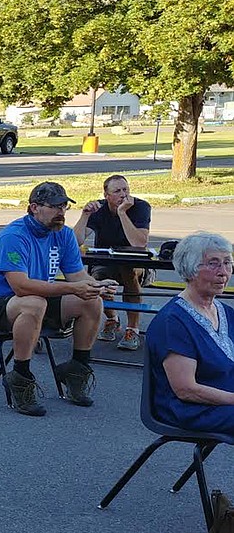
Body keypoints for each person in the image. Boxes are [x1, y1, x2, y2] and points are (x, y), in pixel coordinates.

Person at [0, 181, 116, 417]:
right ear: (34, 208)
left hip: (36, 300)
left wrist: (97, 286)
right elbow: (21, 286)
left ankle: (76, 368)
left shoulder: (64, 235)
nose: (61, 212)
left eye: (65, 207)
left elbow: (77, 276)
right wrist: (73, 288)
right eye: (55, 206)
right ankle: (20, 376)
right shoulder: (14, 236)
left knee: (91, 301)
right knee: (34, 302)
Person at [146, 232, 234, 434]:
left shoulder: (225, 312)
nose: (223, 272)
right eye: (213, 264)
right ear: (190, 270)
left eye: (227, 263)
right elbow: (186, 390)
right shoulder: (174, 321)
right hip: (193, 409)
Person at [72, 174, 153, 351]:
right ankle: (112, 319)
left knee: (128, 271)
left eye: (126, 190)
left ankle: (132, 329)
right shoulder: (99, 210)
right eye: (117, 191)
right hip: (105, 261)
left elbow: (139, 242)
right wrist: (85, 215)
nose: (123, 195)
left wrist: (122, 212)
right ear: (106, 195)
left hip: (135, 263)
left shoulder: (140, 207)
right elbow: (76, 240)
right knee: (97, 278)